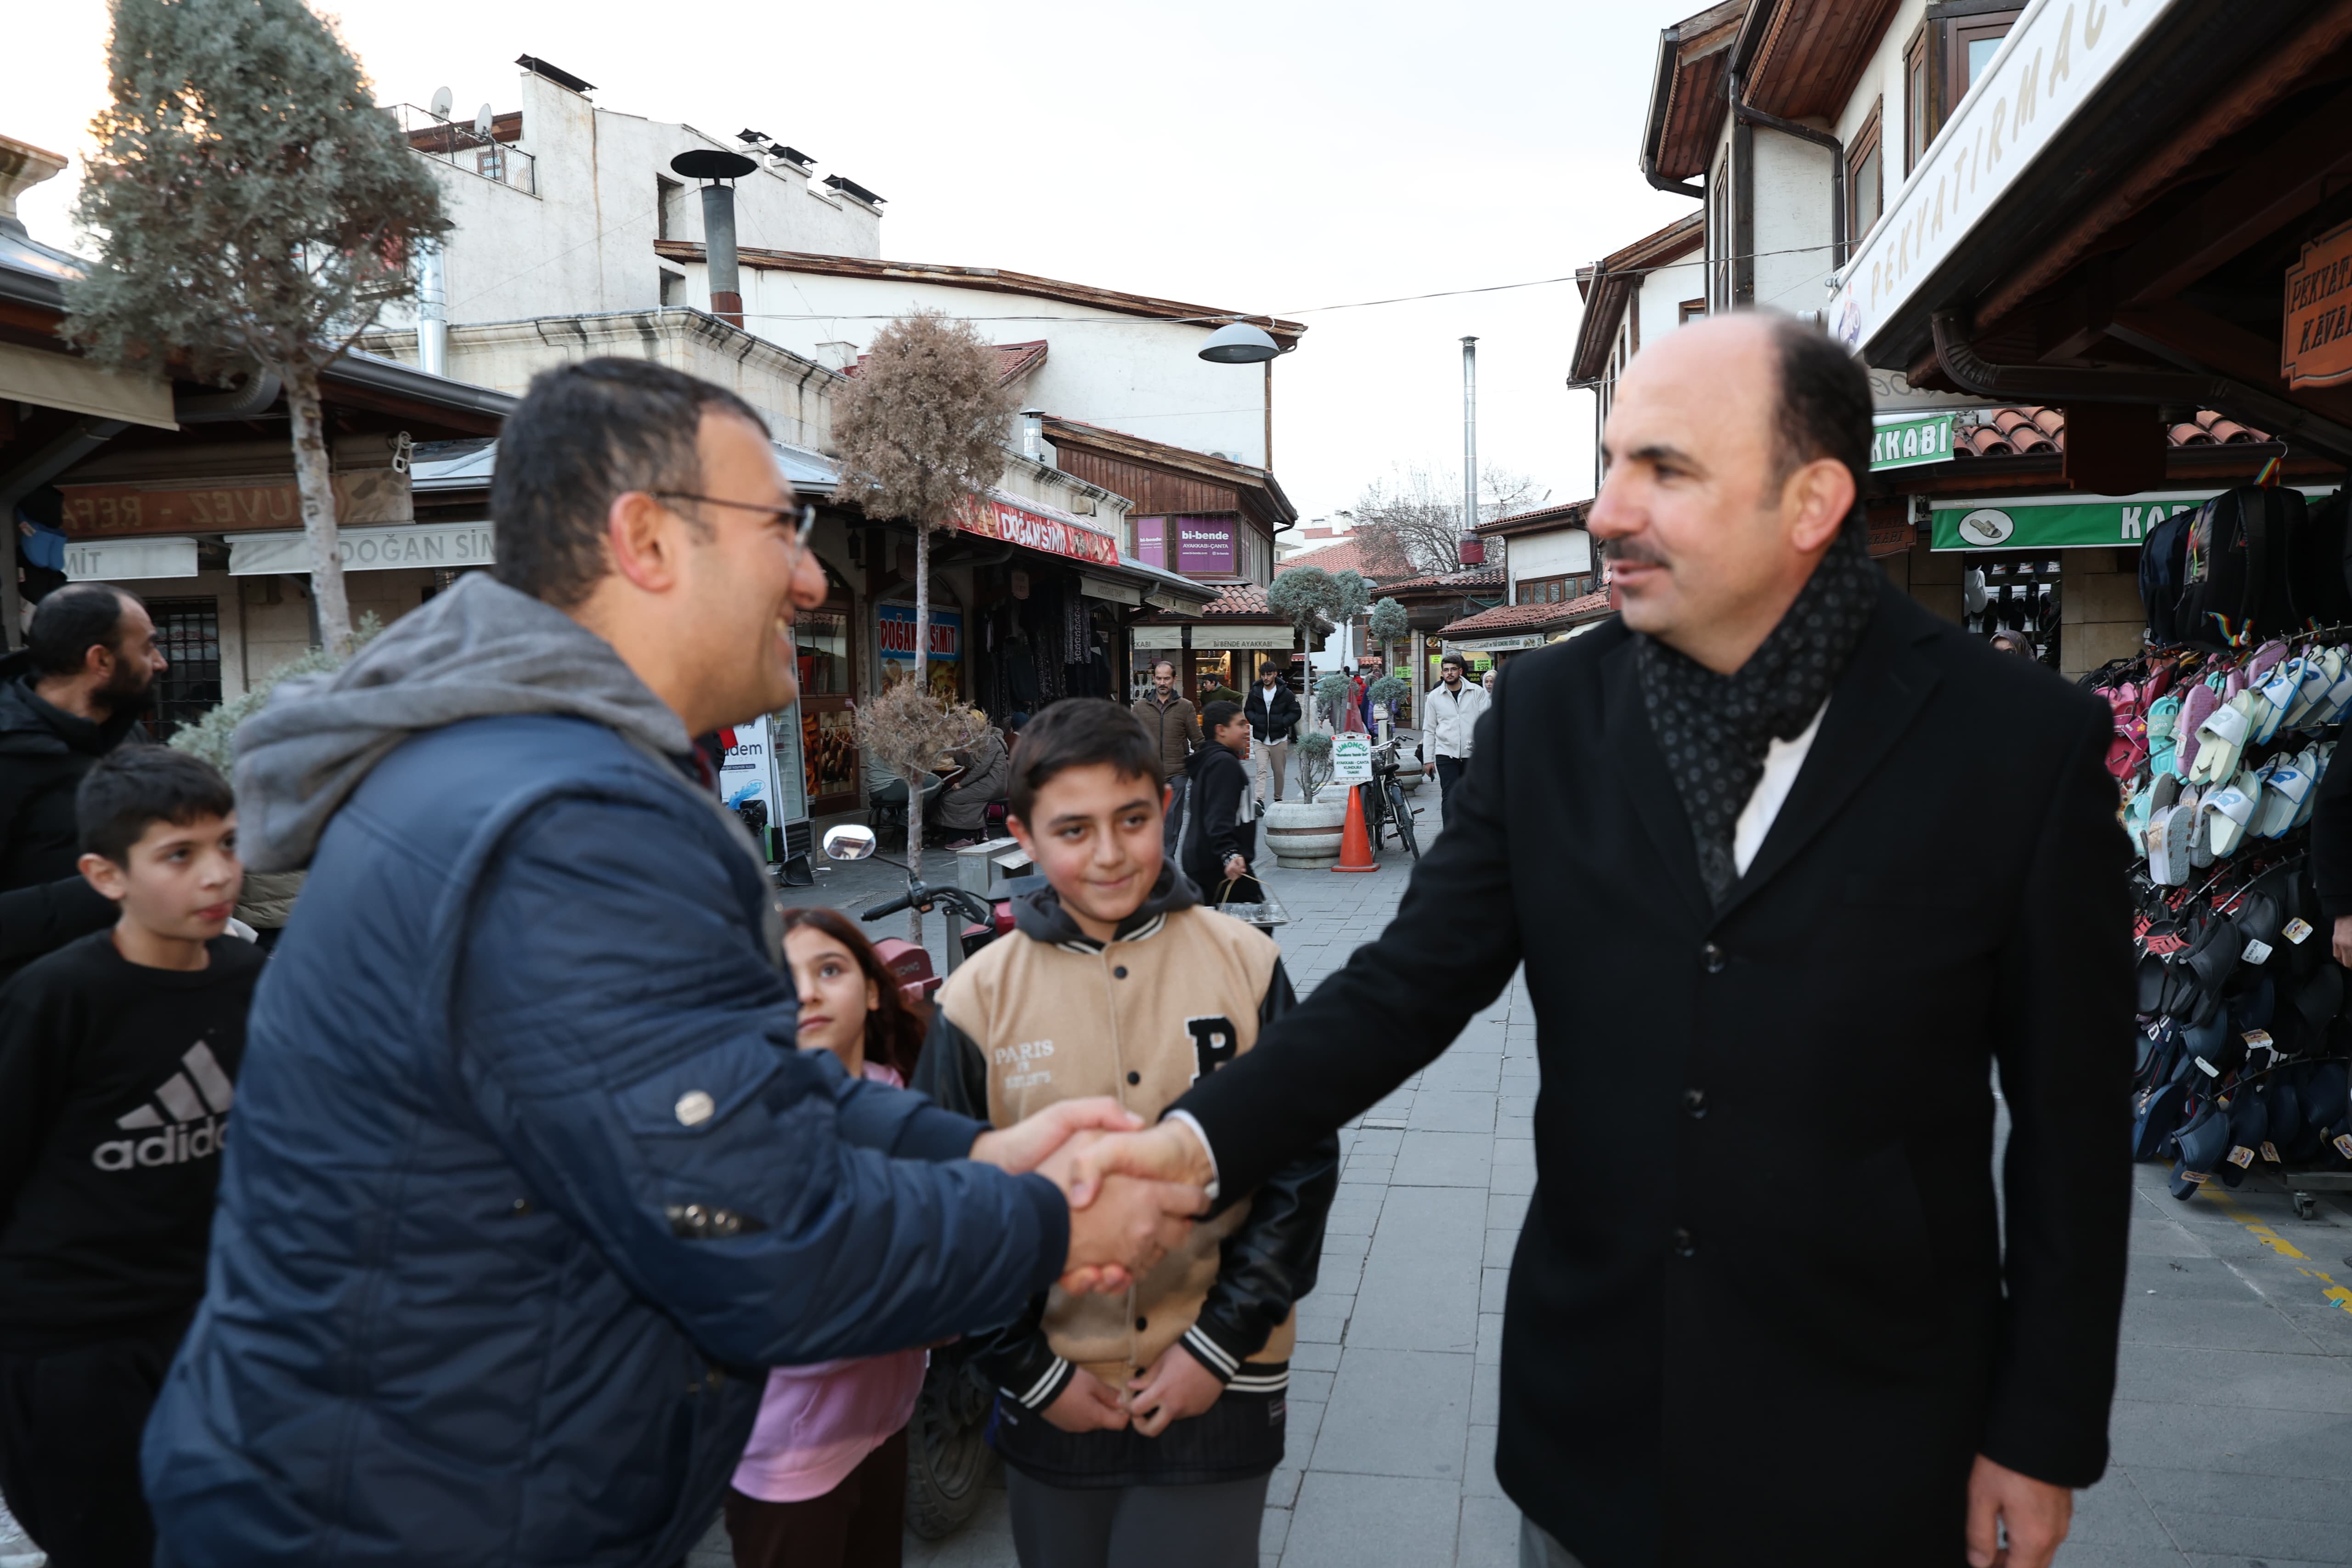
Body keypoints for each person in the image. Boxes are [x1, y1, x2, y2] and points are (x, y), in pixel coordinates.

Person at [1069, 314, 2132, 1568]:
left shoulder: (2016, 744)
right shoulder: (1549, 716)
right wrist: (1190, 1148)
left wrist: (2044, 1426)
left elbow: (2073, 1123)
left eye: (1664, 469)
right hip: (1600, 1420)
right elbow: (1403, 990)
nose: (1610, 510)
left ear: (1813, 500)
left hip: (1880, 1427)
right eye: (1613, 462)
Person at [142, 357, 1207, 1568]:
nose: (811, 576)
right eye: (781, 529)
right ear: (645, 538)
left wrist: (970, 1149)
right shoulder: (572, 822)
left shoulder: (521, 770)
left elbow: (730, 1095)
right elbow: (763, 1236)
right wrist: (1047, 1221)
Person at [909, 699, 1335, 1568]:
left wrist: (1217, 1345)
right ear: (1022, 835)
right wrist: (1030, 1370)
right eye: (1073, 828)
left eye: (1132, 819)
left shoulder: (1245, 962)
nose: (1108, 853)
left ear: (1164, 809)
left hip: (1225, 1371)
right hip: (1055, 1380)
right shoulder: (975, 998)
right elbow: (949, 1202)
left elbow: (1299, 1162)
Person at [0, 746, 257, 1568]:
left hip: (207, 1319)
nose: (217, 874)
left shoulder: (251, 975)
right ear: (104, 875)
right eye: (179, 854)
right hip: (72, 1342)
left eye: (227, 842)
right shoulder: (56, 996)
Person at [725, 907, 933, 1568]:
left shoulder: (901, 1099)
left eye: (830, 968)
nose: (807, 992)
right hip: (788, 1456)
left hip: (885, 1421)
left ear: (873, 990)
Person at [0, 584, 170, 982]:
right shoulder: (10, 752)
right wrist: (116, 889)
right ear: (101, 660)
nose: (160, 663)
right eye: (147, 648)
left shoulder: (128, 735)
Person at [1178, 701, 1261, 906]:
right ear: (1221, 730)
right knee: (1256, 923)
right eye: (1240, 725)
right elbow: (1218, 815)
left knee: (1213, 928)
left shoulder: (1213, 761)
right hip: (1220, 864)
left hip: (1206, 859)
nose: (1246, 730)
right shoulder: (1223, 764)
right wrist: (1229, 854)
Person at [1421, 651, 1488, 831]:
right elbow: (1429, 728)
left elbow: (1487, 723)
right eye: (1446, 670)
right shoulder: (1435, 697)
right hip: (1446, 753)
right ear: (1442, 673)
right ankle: (1451, 837)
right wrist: (1428, 759)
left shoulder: (1477, 692)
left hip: (1472, 755)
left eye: (1453, 669)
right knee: (1449, 796)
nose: (1449, 673)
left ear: (1460, 671)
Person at [932, 725, 1010, 845]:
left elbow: (980, 769)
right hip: (988, 783)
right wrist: (956, 750)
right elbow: (971, 762)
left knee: (951, 799)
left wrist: (961, 784)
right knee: (948, 794)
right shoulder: (984, 741)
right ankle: (967, 835)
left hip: (991, 785)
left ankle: (965, 838)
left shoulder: (989, 741)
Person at [1131, 661, 1199, 782]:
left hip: (1178, 774)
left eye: (1167, 679)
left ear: (1175, 679)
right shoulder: (1139, 707)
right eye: (1159, 679)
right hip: (1149, 773)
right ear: (1154, 679)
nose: (1162, 683)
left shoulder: (1186, 706)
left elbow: (1197, 740)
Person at [1243, 662, 1298, 805]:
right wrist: (1255, 720)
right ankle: (1259, 801)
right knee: (1261, 769)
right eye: (1263, 675)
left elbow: (1296, 712)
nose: (1266, 678)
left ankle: (1278, 799)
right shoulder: (1255, 692)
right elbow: (1248, 709)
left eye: (1269, 674)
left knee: (1279, 772)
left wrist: (1283, 722)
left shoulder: (1285, 693)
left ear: (1275, 674)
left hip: (1279, 739)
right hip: (1260, 739)